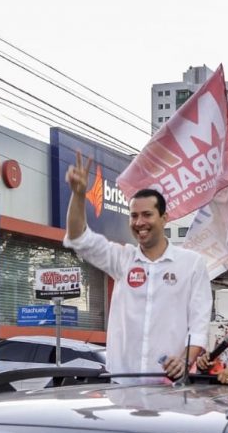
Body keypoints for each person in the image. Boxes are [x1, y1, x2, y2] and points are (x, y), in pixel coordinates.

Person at [63, 151, 211, 380]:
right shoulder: (122, 259)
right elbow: (78, 238)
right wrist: (79, 194)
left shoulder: (192, 264)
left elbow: (199, 327)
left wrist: (184, 360)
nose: (139, 222)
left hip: (169, 388)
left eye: (147, 215)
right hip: (122, 385)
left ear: (164, 218)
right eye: (133, 216)